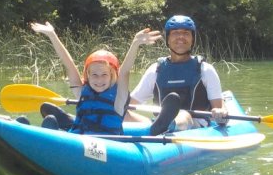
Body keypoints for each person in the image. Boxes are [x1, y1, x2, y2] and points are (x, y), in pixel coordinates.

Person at [30, 22, 161, 135]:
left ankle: (53, 132)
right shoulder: (82, 92)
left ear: (112, 76)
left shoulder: (118, 100)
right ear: (87, 76)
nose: (99, 80)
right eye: (94, 75)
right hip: (77, 139)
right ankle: (37, 130)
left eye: (104, 75)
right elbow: (68, 64)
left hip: (107, 145)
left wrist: (135, 44)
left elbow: (125, 71)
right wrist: (52, 35)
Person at [129, 15, 229, 133]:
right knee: (123, 113)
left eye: (186, 33)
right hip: (159, 127)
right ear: (168, 39)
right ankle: (160, 126)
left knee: (183, 114)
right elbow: (130, 103)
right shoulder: (155, 70)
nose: (181, 37)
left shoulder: (205, 70)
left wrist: (220, 112)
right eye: (175, 33)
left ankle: (171, 125)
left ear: (192, 39)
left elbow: (218, 107)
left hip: (196, 126)